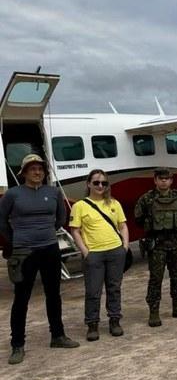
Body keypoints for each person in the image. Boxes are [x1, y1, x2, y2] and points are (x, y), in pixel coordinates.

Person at [0, 154, 79, 364]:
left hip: (50, 248)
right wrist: (15, 239)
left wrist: (46, 232)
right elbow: (2, 221)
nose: (37, 172)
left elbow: (61, 218)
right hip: (24, 252)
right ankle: (17, 344)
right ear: (24, 172)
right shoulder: (13, 194)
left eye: (40, 169)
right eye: (32, 169)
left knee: (53, 294)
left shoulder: (53, 193)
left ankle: (58, 336)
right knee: (21, 298)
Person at [70, 169, 130, 341]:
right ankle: (92, 324)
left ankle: (115, 321)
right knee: (93, 291)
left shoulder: (114, 203)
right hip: (94, 254)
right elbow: (75, 230)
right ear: (88, 184)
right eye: (96, 182)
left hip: (115, 251)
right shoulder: (80, 206)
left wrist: (125, 247)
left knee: (114, 288)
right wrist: (85, 252)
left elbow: (123, 225)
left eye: (104, 183)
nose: (100, 186)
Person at [134, 168, 177, 326]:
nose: (163, 181)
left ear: (171, 181)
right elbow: (138, 218)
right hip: (157, 247)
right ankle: (154, 312)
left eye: (167, 179)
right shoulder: (147, 199)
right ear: (155, 180)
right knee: (156, 279)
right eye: (160, 178)